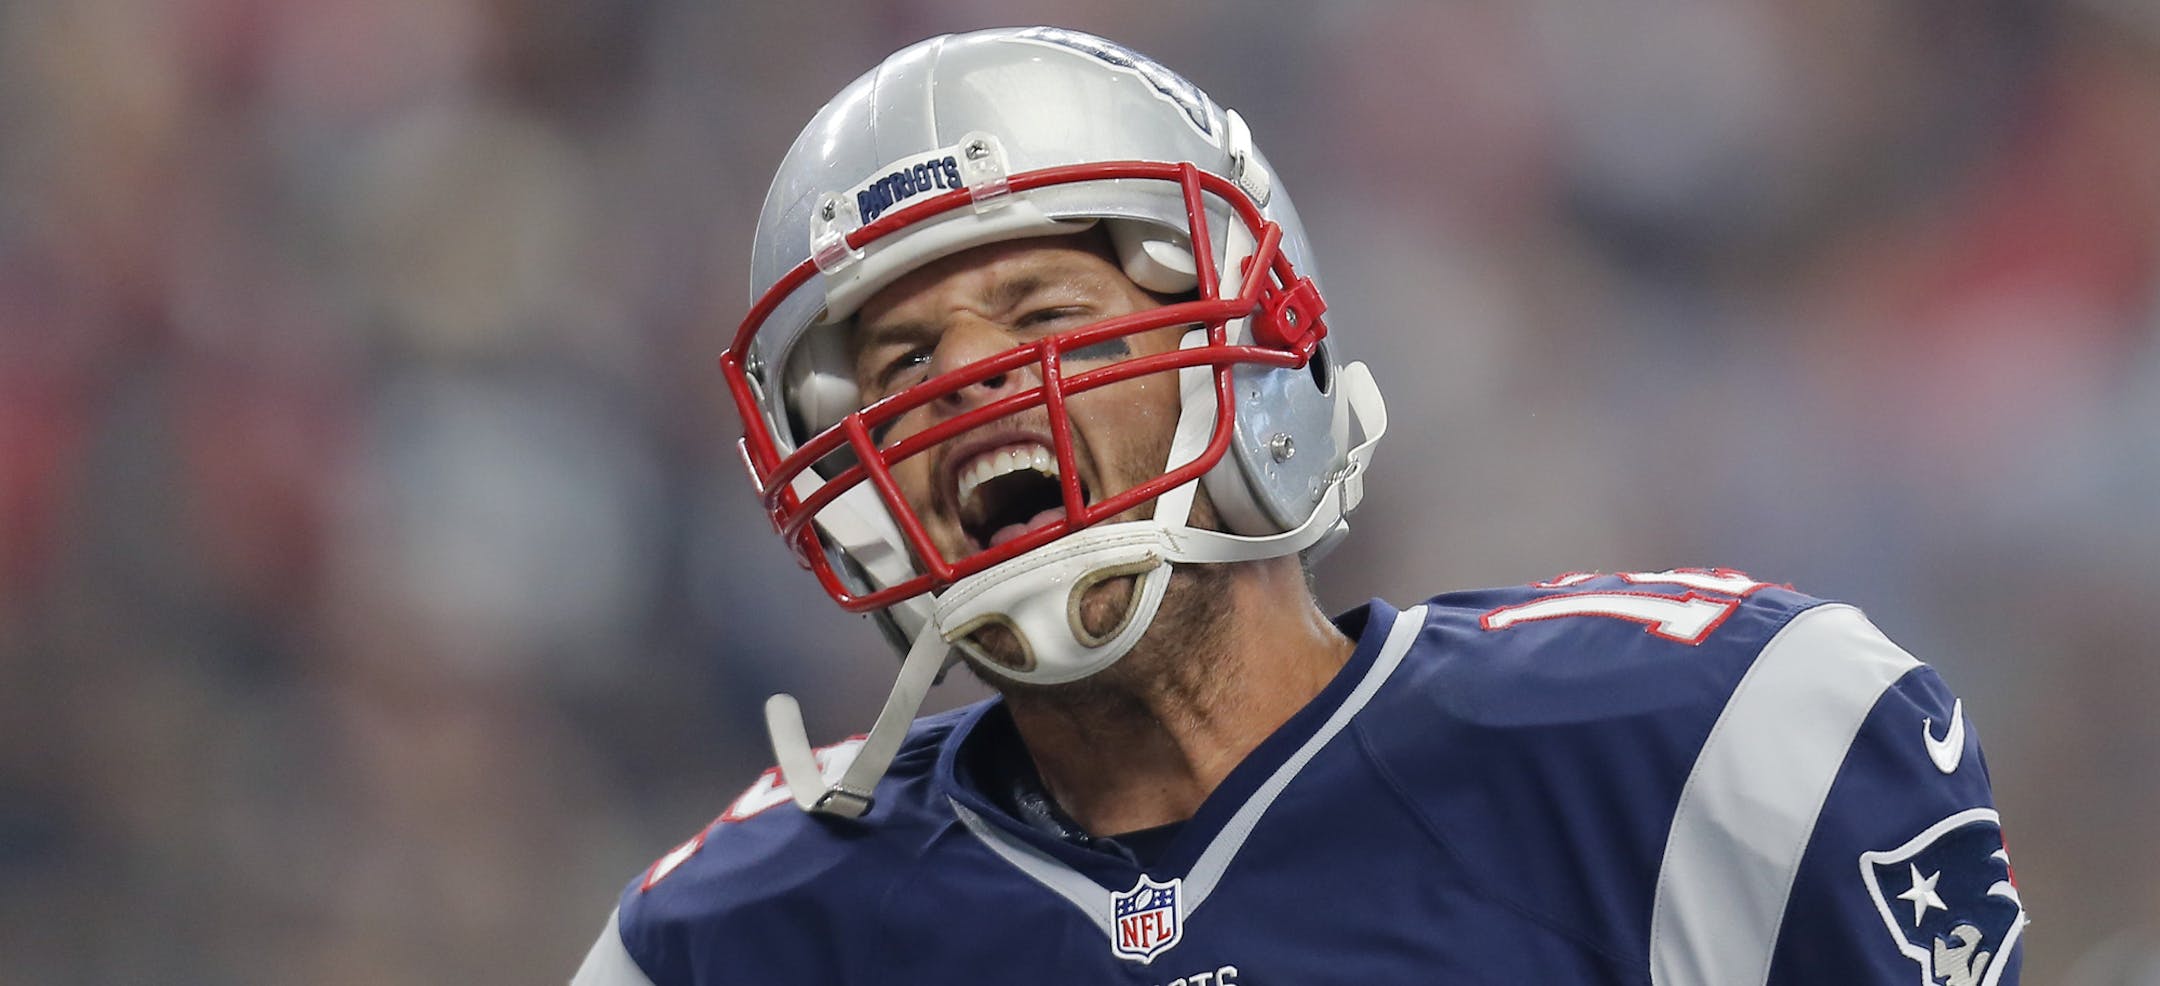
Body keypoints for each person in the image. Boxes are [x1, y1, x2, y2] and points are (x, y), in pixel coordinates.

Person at [573, 26, 2025, 986]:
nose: (967, 388)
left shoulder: (1691, 751)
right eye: (898, 363)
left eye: (1039, 313)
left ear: (1255, 351)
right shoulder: (736, 935)